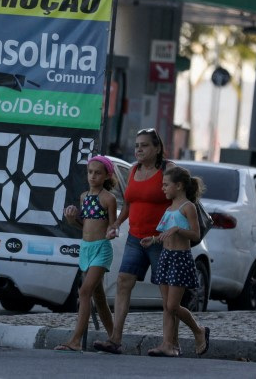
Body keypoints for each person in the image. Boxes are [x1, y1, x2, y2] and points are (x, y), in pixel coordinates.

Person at [93, 128, 174, 354]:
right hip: (135, 237)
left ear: (157, 148)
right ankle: (115, 339)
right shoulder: (134, 170)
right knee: (123, 281)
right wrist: (117, 223)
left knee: (167, 293)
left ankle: (170, 343)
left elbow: (182, 200)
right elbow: (129, 203)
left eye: (145, 145)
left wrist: (170, 231)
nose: (139, 149)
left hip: (161, 240)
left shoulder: (169, 170)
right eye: (137, 145)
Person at [141, 166, 210, 357]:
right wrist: (154, 239)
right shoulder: (169, 208)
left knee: (173, 305)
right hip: (166, 256)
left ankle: (199, 331)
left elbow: (195, 235)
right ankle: (169, 344)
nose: (162, 188)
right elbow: (166, 233)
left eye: (166, 185)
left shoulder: (188, 207)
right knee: (166, 306)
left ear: (178, 186)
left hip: (180, 258)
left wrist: (179, 230)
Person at [54, 155, 118, 352]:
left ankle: (75, 340)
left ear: (107, 175)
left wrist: (112, 231)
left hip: (101, 249)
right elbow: (83, 225)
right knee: (98, 298)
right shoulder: (84, 197)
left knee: (84, 292)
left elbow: (111, 225)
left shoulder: (109, 198)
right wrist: (72, 219)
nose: (93, 176)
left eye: (98, 173)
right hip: (86, 249)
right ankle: (115, 339)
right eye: (90, 172)